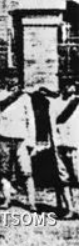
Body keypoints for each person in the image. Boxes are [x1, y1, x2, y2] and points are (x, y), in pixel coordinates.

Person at [0, 69, 37, 212]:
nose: (11, 80)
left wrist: (31, 140)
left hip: (21, 139)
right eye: (8, 77)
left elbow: (31, 119)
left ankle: (31, 202)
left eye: (14, 77)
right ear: (4, 79)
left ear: (18, 79)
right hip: (3, 137)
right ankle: (6, 200)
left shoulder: (25, 97)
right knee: (4, 171)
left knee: (26, 171)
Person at [49, 82, 78, 220]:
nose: (70, 88)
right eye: (67, 85)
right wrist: (55, 143)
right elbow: (52, 125)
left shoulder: (77, 102)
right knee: (63, 178)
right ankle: (70, 209)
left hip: (76, 144)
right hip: (60, 144)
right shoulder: (54, 103)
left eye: (72, 85)